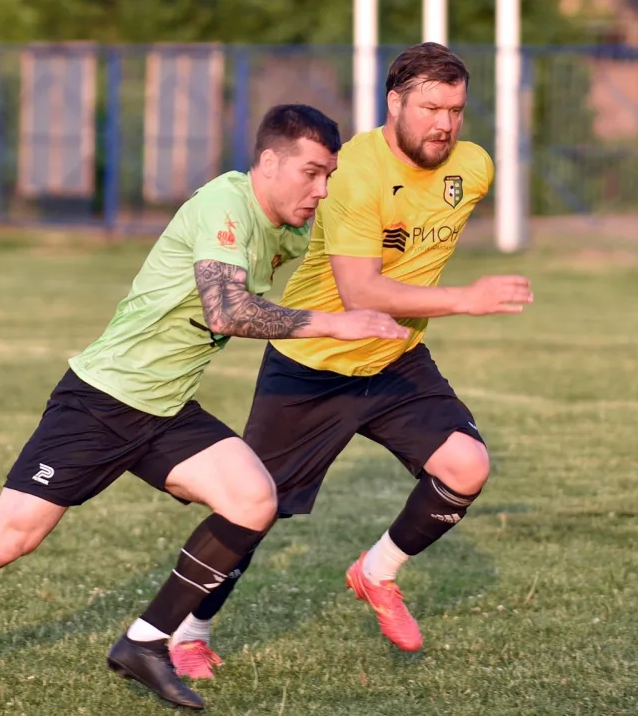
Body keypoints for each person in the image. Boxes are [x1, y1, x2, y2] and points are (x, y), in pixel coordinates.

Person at [0, 104, 406, 716]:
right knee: (6, 540)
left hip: (164, 408)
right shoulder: (226, 204)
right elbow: (227, 312)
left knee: (253, 500)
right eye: (312, 173)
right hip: (102, 400)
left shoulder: (292, 227)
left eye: (330, 176)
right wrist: (335, 324)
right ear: (268, 162)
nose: (321, 190)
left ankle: (145, 642)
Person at [167, 43, 533, 679]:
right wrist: (466, 300)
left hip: (395, 357)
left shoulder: (472, 169)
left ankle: (376, 572)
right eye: (429, 107)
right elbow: (361, 289)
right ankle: (184, 630)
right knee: (252, 508)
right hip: (313, 363)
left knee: (467, 464)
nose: (444, 123)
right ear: (394, 103)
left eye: (456, 109)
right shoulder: (354, 174)